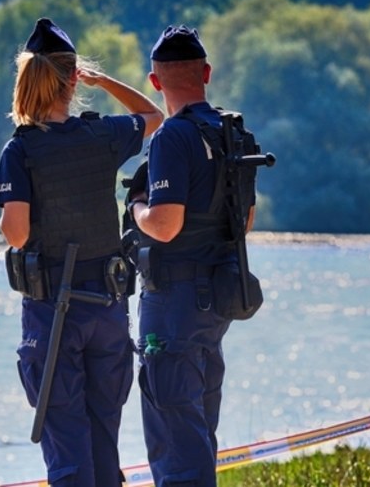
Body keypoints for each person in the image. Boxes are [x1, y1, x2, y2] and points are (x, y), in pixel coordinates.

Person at [0, 17, 163, 487]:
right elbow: (154, 116)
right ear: (73, 80)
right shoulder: (103, 135)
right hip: (107, 308)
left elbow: (17, 235)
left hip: (53, 312)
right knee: (104, 438)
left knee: (67, 446)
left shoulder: (20, 150)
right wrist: (103, 81)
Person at [127, 25, 259, 487]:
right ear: (206, 73)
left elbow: (164, 225)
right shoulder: (233, 132)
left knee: (176, 438)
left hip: (172, 303)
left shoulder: (171, 137)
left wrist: (136, 206)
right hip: (216, 301)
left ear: (155, 81)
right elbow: (244, 222)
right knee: (198, 428)